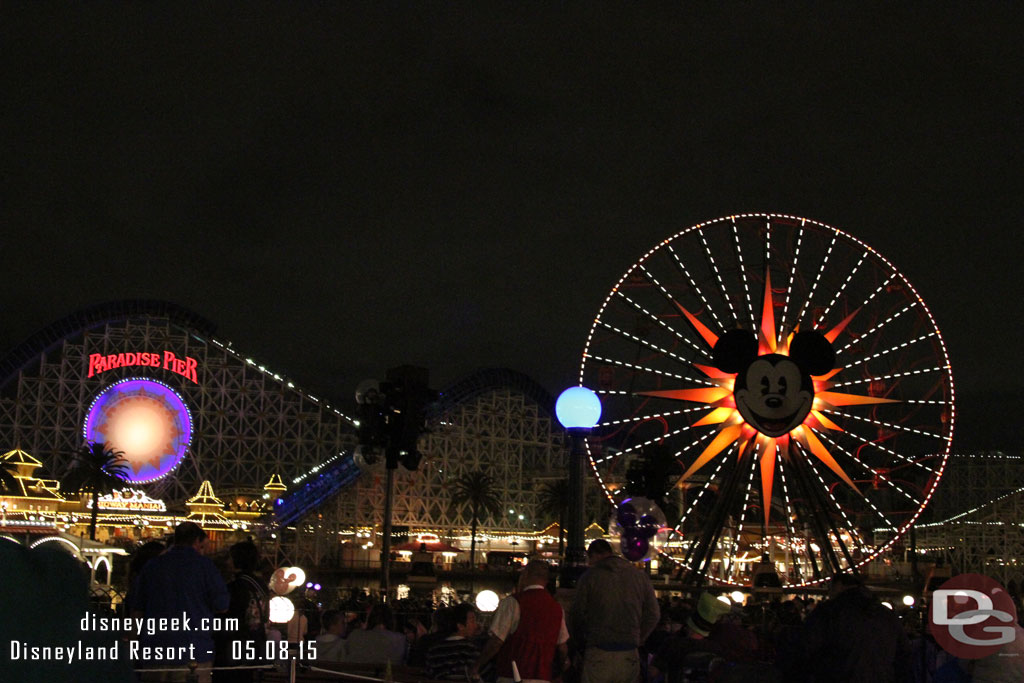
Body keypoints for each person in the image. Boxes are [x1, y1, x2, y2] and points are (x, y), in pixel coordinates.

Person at [132, 521, 229, 683]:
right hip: (194, 649)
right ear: (197, 541)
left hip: (156, 650)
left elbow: (137, 610)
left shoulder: (153, 566)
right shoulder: (205, 566)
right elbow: (222, 605)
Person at [781, 573, 912, 683]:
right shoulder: (885, 614)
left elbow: (806, 648)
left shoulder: (829, 612)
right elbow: (903, 655)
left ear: (839, 586)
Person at [569, 539, 660, 683]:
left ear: (594, 556)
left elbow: (577, 615)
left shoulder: (590, 577)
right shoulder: (639, 576)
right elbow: (653, 614)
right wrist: (639, 637)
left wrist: (582, 644)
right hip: (629, 651)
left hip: (598, 650)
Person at [475, 560, 570, 683]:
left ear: (525, 576)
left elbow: (496, 642)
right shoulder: (557, 608)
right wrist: (561, 668)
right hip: (543, 677)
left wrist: (477, 666)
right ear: (546, 580)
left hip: (512, 675)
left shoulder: (513, 603)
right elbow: (562, 647)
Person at [215, 540, 267, 683]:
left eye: (230, 557)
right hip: (254, 642)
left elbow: (228, 613)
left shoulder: (236, 586)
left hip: (235, 643)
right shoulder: (259, 584)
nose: (228, 562)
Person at [426, 602, 482, 680]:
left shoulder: (434, 649)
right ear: (460, 626)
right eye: (472, 621)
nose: (476, 625)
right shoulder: (470, 649)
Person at [342, 603, 408, 665]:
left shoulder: (355, 635)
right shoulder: (400, 639)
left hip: (356, 675)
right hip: (385, 676)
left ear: (369, 618)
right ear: (391, 619)